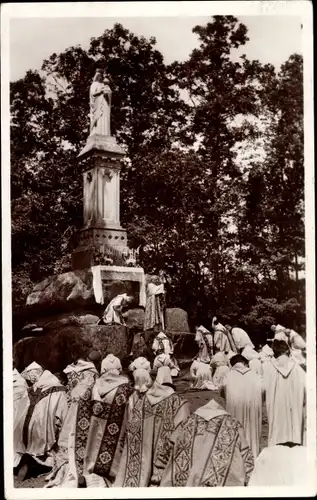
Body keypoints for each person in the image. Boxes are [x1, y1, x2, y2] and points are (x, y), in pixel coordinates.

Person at [58, 354, 133, 488]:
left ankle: (89, 474)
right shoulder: (126, 390)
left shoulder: (93, 387)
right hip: (116, 446)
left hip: (92, 438)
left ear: (103, 369)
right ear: (119, 369)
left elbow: (82, 413)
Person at [114, 366, 190, 487]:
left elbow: (130, 428)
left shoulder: (142, 402)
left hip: (138, 469)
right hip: (163, 470)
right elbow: (184, 435)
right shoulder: (179, 403)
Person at [160, 398, 254, 487]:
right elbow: (247, 459)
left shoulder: (187, 422)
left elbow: (167, 449)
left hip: (186, 483)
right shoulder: (233, 424)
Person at [45, 352, 101, 488]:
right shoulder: (92, 372)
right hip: (84, 407)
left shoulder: (69, 370)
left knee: (66, 436)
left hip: (69, 403)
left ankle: (63, 469)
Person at [14, 369, 68, 481]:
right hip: (39, 434)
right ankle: (33, 460)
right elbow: (63, 415)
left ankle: (23, 457)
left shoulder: (31, 388)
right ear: (61, 381)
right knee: (54, 443)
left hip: (20, 431)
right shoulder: (60, 389)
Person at [262, 339, 306, 447]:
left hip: (276, 408)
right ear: (287, 351)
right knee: (294, 435)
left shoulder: (269, 368)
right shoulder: (297, 368)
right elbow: (307, 388)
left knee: (277, 435)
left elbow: (262, 389)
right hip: (295, 409)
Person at [220, 354, 262, 459]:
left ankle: (237, 460)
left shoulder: (228, 375)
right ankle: (253, 457)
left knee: (236, 432)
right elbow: (263, 390)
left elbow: (221, 390)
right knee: (251, 432)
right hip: (252, 406)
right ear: (244, 363)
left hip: (234, 407)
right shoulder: (255, 375)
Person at [89, 69, 112, 136]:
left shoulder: (105, 84)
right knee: (98, 118)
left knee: (105, 116)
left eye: (101, 75)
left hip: (105, 103)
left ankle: (105, 133)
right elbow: (92, 94)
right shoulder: (94, 84)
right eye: (98, 75)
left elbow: (110, 94)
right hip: (98, 103)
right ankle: (96, 131)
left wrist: (108, 92)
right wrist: (100, 91)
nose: (100, 77)